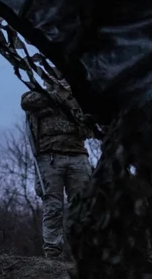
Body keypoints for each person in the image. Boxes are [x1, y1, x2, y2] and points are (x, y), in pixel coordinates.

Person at [20, 83, 93, 260]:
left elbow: (90, 123)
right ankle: (53, 251)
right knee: (53, 206)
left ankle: (85, 250)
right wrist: (57, 93)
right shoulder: (40, 97)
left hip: (78, 156)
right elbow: (26, 101)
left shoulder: (78, 99)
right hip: (50, 158)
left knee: (82, 205)